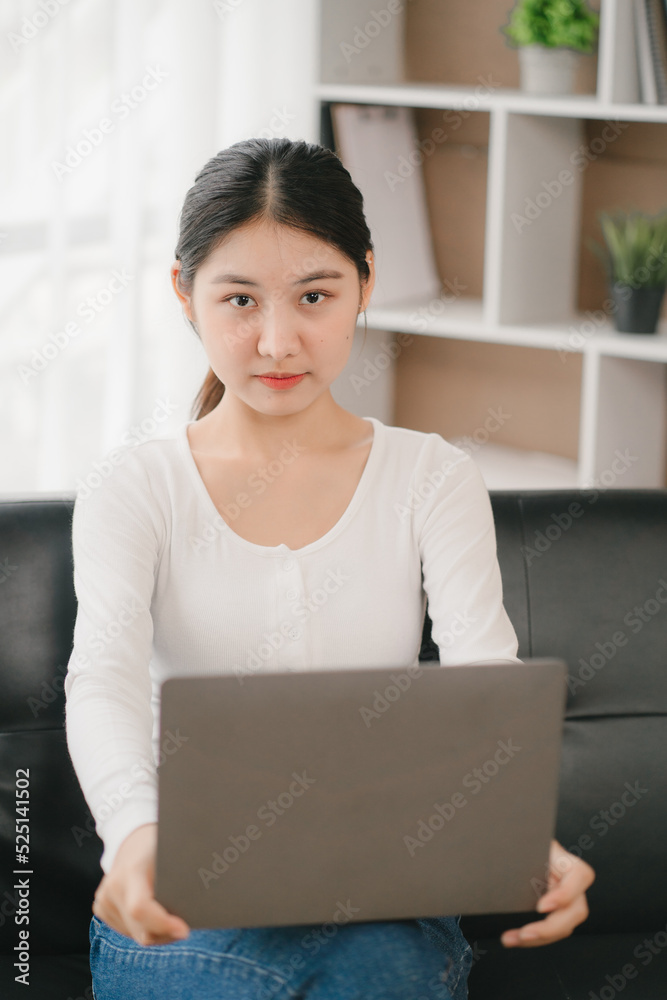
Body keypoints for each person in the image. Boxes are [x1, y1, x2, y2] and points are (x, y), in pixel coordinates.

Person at [64, 137, 595, 1000]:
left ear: (365, 285)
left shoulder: (431, 478)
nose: (278, 341)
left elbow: (482, 684)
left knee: (376, 969)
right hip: (182, 891)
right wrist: (133, 836)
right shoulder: (136, 484)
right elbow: (103, 679)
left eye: (315, 295)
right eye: (239, 299)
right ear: (183, 294)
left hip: (387, 898)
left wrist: (524, 837)